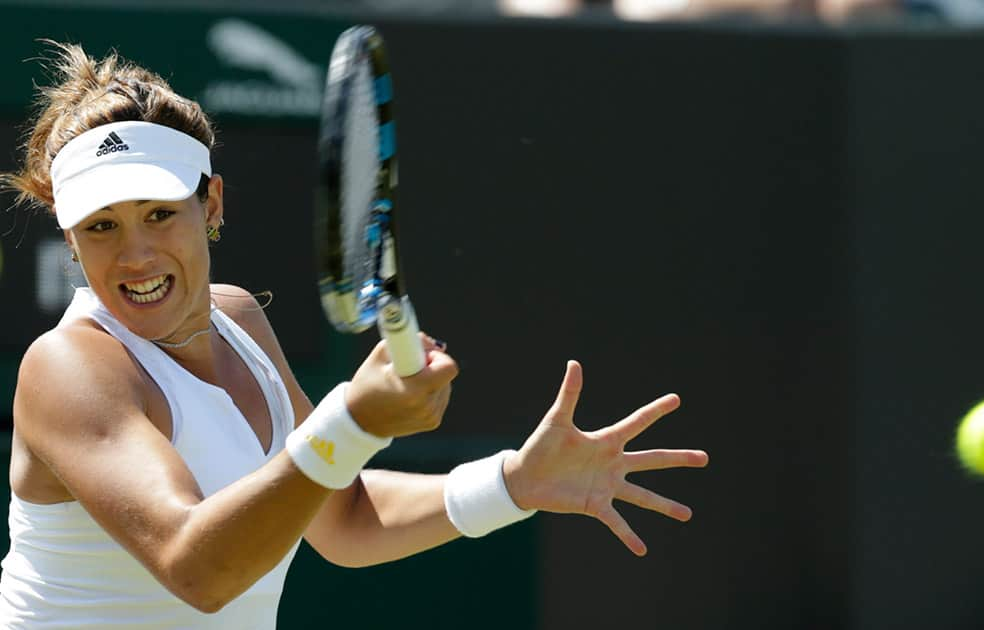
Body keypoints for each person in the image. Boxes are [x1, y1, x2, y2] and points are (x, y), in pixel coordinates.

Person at [0, 42, 709, 629]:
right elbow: (198, 567)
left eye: (159, 214)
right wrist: (354, 419)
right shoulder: (68, 367)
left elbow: (339, 513)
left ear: (210, 202)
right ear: (70, 239)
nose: (135, 256)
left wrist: (511, 483)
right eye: (101, 227)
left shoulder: (239, 319)